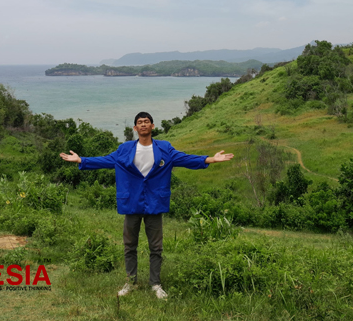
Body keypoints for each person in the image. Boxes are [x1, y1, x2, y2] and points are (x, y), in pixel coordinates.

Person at [59, 111, 234, 300]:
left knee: (156, 247)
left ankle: (155, 284)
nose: (143, 124)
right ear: (135, 128)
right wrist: (82, 160)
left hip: (154, 203)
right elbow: (106, 160)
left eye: (147, 122)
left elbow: (185, 159)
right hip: (132, 203)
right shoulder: (125, 149)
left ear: (152, 127)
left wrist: (210, 159)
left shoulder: (165, 148)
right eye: (140, 122)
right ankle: (130, 282)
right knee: (129, 245)